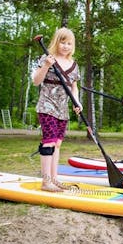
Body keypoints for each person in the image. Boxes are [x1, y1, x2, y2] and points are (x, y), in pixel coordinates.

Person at [32, 27, 82, 191]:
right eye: (63, 42)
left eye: (69, 43)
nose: (66, 46)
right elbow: (36, 81)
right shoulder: (47, 58)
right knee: (49, 141)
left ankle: (54, 179)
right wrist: (46, 65)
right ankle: (46, 182)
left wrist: (77, 102)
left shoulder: (74, 65)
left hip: (62, 109)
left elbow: (74, 87)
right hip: (46, 105)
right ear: (56, 42)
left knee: (58, 144)